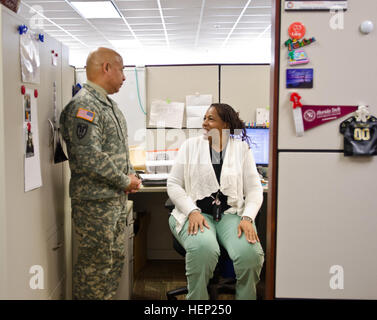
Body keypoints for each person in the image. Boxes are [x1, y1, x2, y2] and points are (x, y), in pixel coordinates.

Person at [60, 47, 141, 300]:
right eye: (122, 69)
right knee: (94, 271)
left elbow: (115, 150)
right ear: (106, 67)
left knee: (111, 266)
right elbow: (90, 156)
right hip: (95, 205)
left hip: (113, 202)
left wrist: (128, 177)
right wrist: (123, 180)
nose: (125, 77)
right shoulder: (84, 105)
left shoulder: (108, 105)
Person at [167, 103, 264, 300]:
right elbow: (174, 184)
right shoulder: (190, 146)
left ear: (226, 125)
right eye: (204, 117)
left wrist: (247, 217)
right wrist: (191, 211)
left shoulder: (242, 149)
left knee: (250, 255)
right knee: (203, 250)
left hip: (230, 215)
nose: (204, 123)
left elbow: (254, 189)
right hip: (195, 214)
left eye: (210, 119)